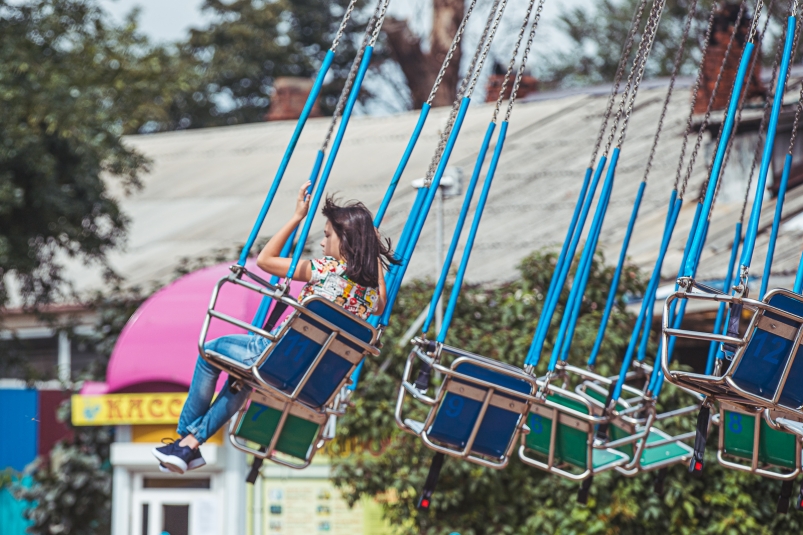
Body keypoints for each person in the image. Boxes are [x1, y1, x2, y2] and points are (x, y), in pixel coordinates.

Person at [153, 181, 396, 473]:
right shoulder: (370, 296)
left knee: (209, 352)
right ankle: (190, 446)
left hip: (275, 356)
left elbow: (266, 260)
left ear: (344, 240)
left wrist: (296, 217)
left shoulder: (324, 270)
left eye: (327, 235)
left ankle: (184, 437)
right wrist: (373, 255)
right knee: (241, 381)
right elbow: (381, 302)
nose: (321, 243)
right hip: (310, 378)